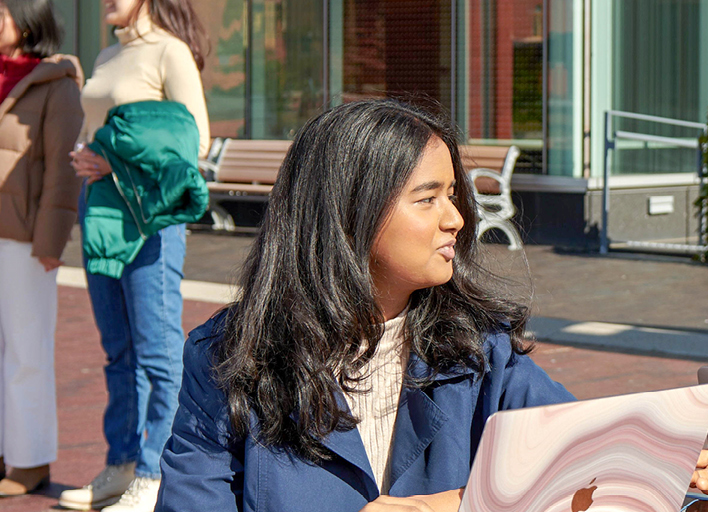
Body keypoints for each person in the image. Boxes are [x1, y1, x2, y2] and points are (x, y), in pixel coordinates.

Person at [154, 99, 574, 512]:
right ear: (350, 214)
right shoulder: (231, 358)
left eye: (452, 194)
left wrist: (445, 506)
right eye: (427, 199)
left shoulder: (481, 352)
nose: (457, 219)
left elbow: (592, 467)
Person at [61, 0, 212, 509]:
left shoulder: (169, 52)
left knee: (157, 350)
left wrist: (115, 159)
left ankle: (155, 475)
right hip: (99, 207)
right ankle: (121, 465)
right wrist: (87, 153)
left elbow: (196, 139)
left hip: (150, 215)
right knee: (117, 349)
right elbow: (99, 127)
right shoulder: (106, 55)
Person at [0, 0, 80, 498]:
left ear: (27, 23)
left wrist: (51, 242)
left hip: (26, 239)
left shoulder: (56, 82)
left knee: (27, 351)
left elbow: (61, 170)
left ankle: (28, 462)